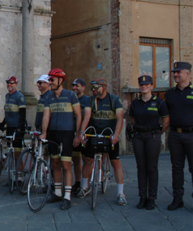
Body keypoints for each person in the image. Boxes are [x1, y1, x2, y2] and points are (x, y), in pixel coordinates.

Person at [78, 78, 127, 206]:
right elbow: (87, 116)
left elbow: (120, 118)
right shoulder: (90, 100)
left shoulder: (114, 100)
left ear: (104, 87)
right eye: (92, 88)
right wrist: (82, 132)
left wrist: (116, 135)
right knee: (88, 160)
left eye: (96, 88)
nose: (94, 90)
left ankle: (121, 193)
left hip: (109, 134)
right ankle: (84, 187)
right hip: (93, 133)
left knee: (115, 162)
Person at [40, 68, 82, 210]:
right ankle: (58, 193)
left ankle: (67, 196)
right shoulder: (48, 97)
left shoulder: (71, 95)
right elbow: (46, 116)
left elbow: (78, 115)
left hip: (67, 133)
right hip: (53, 133)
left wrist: (78, 134)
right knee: (55, 163)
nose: (49, 82)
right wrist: (44, 133)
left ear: (60, 80)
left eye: (52, 80)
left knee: (66, 165)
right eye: (49, 80)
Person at [129, 75, 170, 210]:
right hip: (139, 136)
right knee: (141, 168)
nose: (144, 87)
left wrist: (158, 133)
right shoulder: (135, 103)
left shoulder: (159, 102)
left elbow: (166, 121)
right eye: (141, 85)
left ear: (152, 86)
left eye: (147, 85)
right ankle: (142, 197)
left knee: (152, 168)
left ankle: (151, 198)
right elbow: (133, 119)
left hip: (153, 136)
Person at [164, 61, 193, 210]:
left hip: (191, 135)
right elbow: (165, 114)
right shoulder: (170, 93)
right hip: (175, 135)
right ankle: (177, 198)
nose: (175, 74)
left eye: (178, 72)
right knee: (176, 168)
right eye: (174, 72)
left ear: (187, 73)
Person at [2, 75, 26, 176]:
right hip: (9, 127)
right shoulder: (7, 96)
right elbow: (8, 112)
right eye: (8, 83)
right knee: (10, 153)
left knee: (17, 154)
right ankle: (12, 177)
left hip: (17, 127)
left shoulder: (19, 97)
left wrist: (20, 129)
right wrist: (2, 123)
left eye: (12, 83)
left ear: (16, 84)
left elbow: (23, 114)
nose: (9, 85)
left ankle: (20, 177)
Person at [70, 78, 90, 193]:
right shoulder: (72, 100)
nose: (74, 88)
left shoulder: (87, 100)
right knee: (76, 158)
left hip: (86, 134)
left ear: (83, 87)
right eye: (73, 86)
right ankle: (78, 183)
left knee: (87, 160)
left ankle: (85, 184)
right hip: (74, 133)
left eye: (77, 86)